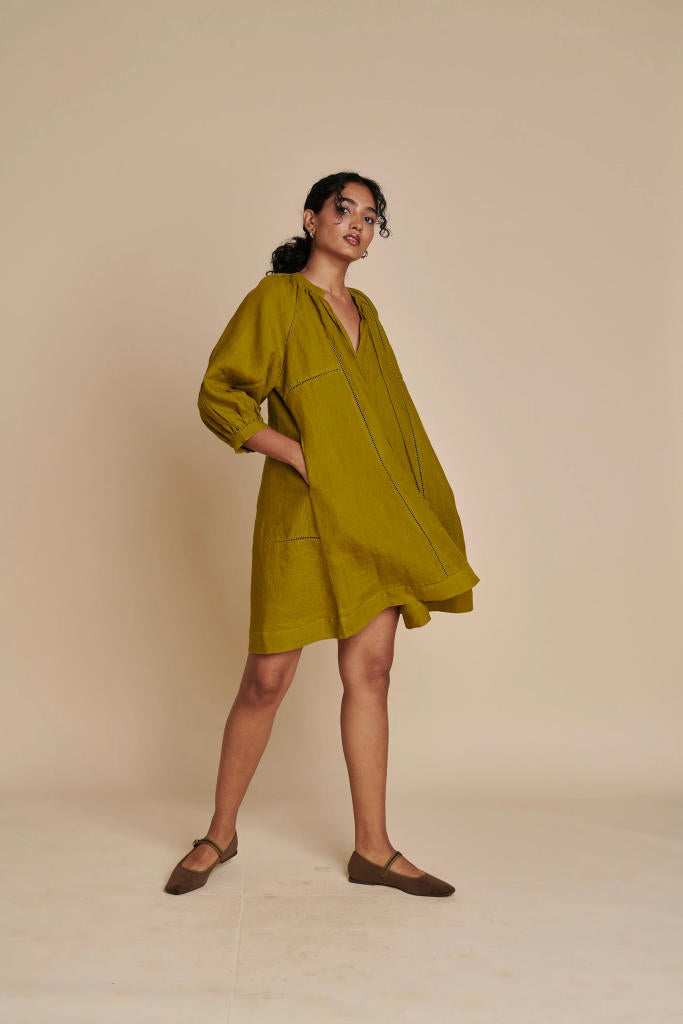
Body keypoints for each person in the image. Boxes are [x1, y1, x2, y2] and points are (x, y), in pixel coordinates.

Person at [164, 171, 480, 898]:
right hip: (303, 514)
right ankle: (219, 833)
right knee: (267, 678)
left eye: (371, 217)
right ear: (311, 218)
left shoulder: (366, 311)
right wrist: (295, 452)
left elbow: (396, 421)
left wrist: (417, 504)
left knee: (371, 674)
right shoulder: (275, 299)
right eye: (345, 209)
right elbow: (220, 393)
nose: (358, 223)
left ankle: (373, 850)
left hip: (372, 515)